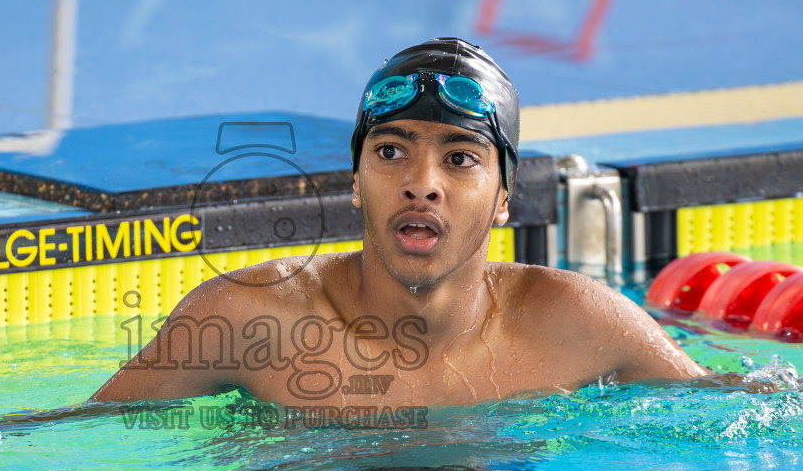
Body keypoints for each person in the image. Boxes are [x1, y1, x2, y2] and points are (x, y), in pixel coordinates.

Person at [92, 37, 704, 407]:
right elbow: (67, 434)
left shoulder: (577, 320)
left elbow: (738, 406)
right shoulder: (252, 317)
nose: (422, 182)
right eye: (390, 152)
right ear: (355, 182)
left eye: (460, 158)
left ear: (503, 197)